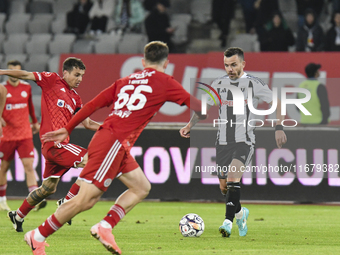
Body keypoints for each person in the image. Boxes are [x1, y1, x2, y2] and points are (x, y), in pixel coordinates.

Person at [24, 41, 202, 255]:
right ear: (167, 63)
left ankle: (105, 226)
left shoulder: (125, 80)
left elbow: (92, 106)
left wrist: (67, 128)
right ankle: (38, 236)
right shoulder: (166, 82)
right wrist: (191, 125)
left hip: (114, 142)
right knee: (85, 200)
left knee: (141, 187)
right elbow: (201, 108)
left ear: (143, 62)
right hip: (113, 143)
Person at [180, 47, 287, 238]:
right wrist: (190, 125)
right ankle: (240, 213)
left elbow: (277, 102)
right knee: (224, 187)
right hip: (222, 142)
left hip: (244, 141)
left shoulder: (254, 84)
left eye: (234, 65)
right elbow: (203, 108)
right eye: (227, 65)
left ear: (243, 64)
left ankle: (228, 223)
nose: (230, 69)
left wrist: (279, 127)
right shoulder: (219, 83)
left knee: (232, 179)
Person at [0, 57, 101, 232]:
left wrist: (111, 128)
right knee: (94, 159)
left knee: (47, 189)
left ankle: (17, 215)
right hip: (55, 145)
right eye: (77, 75)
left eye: (82, 76)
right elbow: (25, 74)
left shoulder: (76, 98)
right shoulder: (52, 80)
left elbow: (89, 124)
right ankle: (68, 201)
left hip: (56, 148)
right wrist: (2, 72)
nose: (80, 79)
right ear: (66, 72)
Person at [0, 60, 41, 212]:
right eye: (11, 70)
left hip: (25, 133)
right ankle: (2, 199)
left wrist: (35, 122)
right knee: (3, 168)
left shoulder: (26, 87)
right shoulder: (2, 89)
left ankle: (34, 199)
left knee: (29, 166)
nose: (14, 74)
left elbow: (30, 106)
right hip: (7, 135)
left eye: (16, 71)